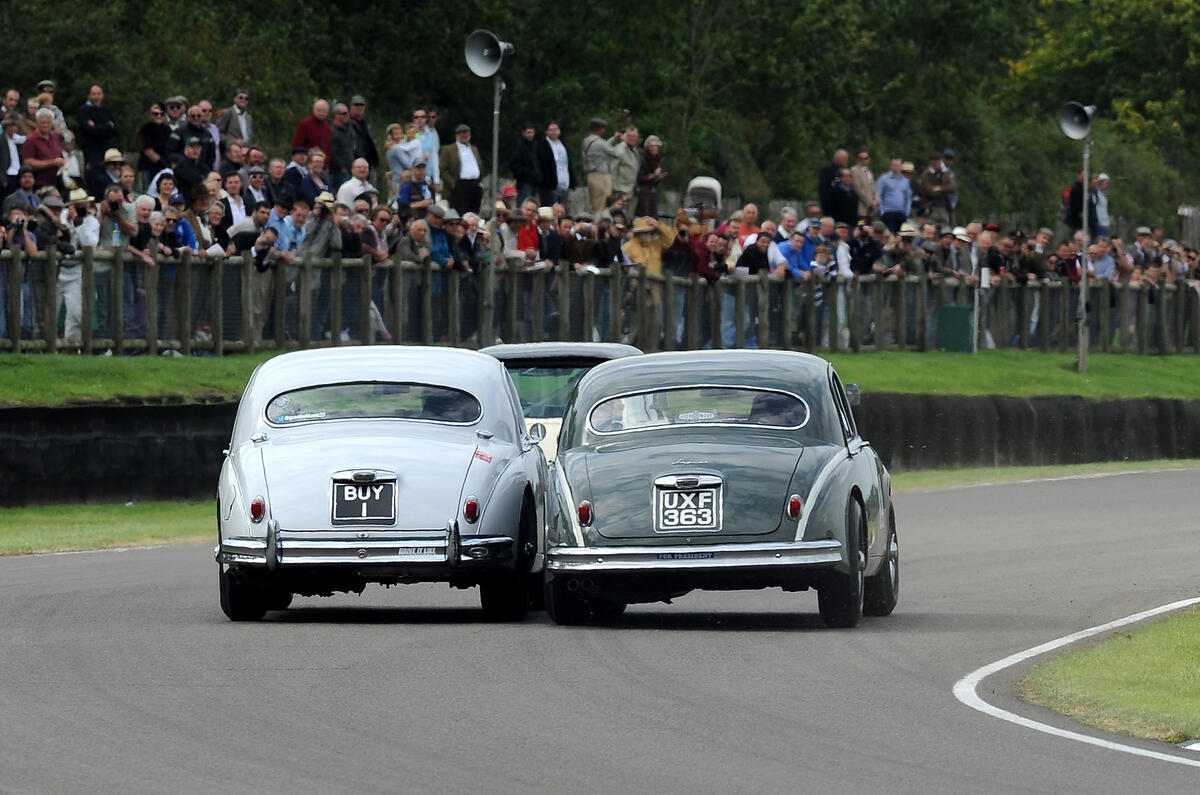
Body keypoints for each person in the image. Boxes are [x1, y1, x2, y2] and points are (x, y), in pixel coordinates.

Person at [440, 124, 483, 216]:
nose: (464, 136)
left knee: (473, 213)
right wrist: (453, 184)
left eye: (466, 133)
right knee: (459, 212)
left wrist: (479, 182)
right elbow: (443, 170)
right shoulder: (448, 149)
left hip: (475, 185)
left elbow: (479, 165)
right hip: (459, 185)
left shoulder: (474, 148)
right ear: (456, 135)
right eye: (461, 134)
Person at [581, 117, 620, 218]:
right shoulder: (599, 143)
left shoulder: (587, 141)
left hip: (592, 176)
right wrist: (623, 142)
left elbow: (604, 146)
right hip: (600, 177)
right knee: (600, 207)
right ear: (599, 129)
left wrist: (614, 139)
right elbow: (616, 153)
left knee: (595, 205)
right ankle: (598, 229)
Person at [535, 121, 574, 208]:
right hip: (550, 186)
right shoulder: (543, 145)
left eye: (556, 129)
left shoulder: (562, 145)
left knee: (563, 210)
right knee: (550, 209)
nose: (554, 132)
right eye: (551, 130)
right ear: (546, 132)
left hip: (565, 184)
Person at [134, 104, 170, 186]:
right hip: (148, 167)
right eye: (156, 114)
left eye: (162, 114)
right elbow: (148, 151)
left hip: (163, 168)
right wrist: (165, 163)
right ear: (151, 115)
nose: (159, 116)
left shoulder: (167, 130)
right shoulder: (144, 129)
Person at [508, 122, 540, 206]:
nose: (530, 135)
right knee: (524, 204)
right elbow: (514, 164)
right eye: (528, 132)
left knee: (532, 203)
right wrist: (527, 173)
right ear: (523, 133)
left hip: (534, 181)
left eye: (531, 132)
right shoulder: (519, 146)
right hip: (524, 181)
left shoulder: (534, 145)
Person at [635, 135, 665, 218]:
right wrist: (654, 175)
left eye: (656, 146)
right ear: (648, 147)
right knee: (645, 217)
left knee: (654, 217)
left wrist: (659, 177)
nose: (654, 148)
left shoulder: (659, 159)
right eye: (652, 146)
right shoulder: (642, 159)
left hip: (653, 192)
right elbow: (640, 178)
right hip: (644, 193)